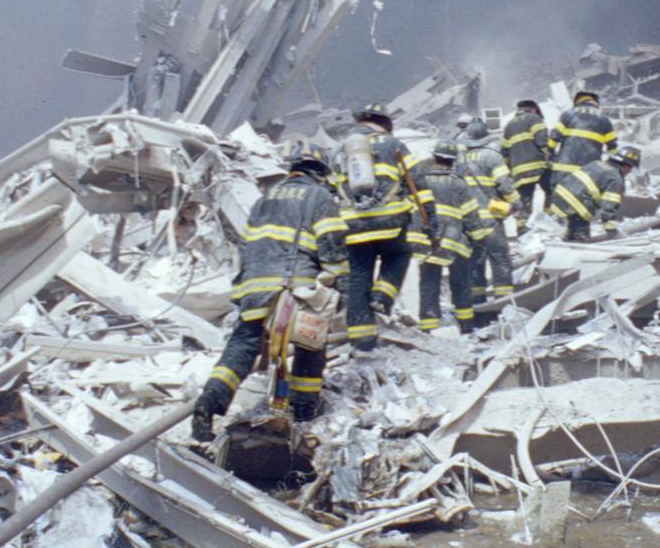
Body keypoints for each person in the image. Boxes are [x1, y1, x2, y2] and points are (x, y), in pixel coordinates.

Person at [193, 141, 348, 441]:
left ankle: (209, 401)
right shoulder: (319, 196)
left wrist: (243, 290)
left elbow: (245, 246)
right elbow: (332, 245)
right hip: (295, 287)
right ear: (320, 173)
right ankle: (303, 411)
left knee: (242, 346)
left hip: (254, 287)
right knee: (310, 345)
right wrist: (340, 283)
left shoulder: (263, 201)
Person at [336, 103, 419, 351]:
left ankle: (362, 341)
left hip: (353, 224)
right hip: (390, 221)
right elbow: (416, 180)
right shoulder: (393, 144)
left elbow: (331, 188)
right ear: (384, 123)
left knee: (359, 275)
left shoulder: (340, 149)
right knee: (399, 254)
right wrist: (430, 218)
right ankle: (382, 296)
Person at [409, 141, 487, 332]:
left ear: (434, 157)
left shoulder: (420, 182)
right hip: (454, 242)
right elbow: (471, 215)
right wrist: (479, 238)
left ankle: (429, 326)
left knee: (429, 284)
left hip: (427, 242)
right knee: (460, 284)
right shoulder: (459, 183)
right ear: (453, 161)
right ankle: (466, 326)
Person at [455, 117, 519, 307]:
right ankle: (504, 303)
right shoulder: (492, 156)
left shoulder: (459, 160)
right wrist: (517, 204)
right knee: (500, 260)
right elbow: (505, 184)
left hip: (469, 220)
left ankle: (478, 304)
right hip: (491, 218)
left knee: (475, 262)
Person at [545, 90, 615, 237]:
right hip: (588, 171)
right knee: (582, 203)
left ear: (577, 102)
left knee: (563, 199)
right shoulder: (604, 120)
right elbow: (612, 147)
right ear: (595, 103)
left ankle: (560, 231)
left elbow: (554, 137)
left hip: (564, 167)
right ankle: (579, 235)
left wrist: (549, 155)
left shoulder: (567, 115)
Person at [551, 145, 638, 242]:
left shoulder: (597, 163)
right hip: (578, 203)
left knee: (573, 227)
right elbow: (609, 206)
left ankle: (568, 241)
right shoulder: (616, 179)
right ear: (626, 166)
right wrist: (611, 230)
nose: (630, 171)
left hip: (560, 195)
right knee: (580, 237)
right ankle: (574, 244)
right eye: (631, 168)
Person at [501, 100, 550, 218]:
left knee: (524, 201)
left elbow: (504, 151)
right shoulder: (535, 119)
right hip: (538, 166)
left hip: (518, 171)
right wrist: (549, 158)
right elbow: (543, 142)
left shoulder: (508, 126)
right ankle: (550, 218)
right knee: (551, 190)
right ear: (533, 109)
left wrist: (510, 170)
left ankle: (523, 225)